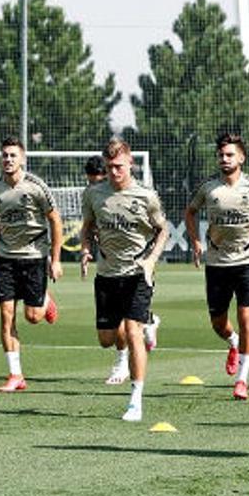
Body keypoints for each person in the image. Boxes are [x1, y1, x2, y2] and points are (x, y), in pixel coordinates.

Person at [80, 138, 168, 421]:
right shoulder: (94, 194)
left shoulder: (146, 196)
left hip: (137, 274)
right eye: (109, 167)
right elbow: (87, 226)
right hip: (107, 274)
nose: (114, 171)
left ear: (130, 163)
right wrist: (84, 249)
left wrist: (151, 260)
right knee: (107, 339)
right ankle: (150, 322)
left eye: (118, 166)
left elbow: (162, 230)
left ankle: (135, 401)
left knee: (132, 333)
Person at [184, 133, 249, 400]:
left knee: (246, 316)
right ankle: (233, 342)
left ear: (241, 158)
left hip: (247, 262)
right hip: (216, 263)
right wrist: (196, 242)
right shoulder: (208, 188)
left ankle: (242, 379)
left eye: (230, 154)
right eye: (221, 155)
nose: (224, 159)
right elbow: (190, 212)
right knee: (218, 323)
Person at [0, 136, 63, 393]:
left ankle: (44, 301)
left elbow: (55, 220)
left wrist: (56, 258)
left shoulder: (36, 187)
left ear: (22, 159)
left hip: (34, 258)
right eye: (4, 155)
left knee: (33, 317)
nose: (8, 159)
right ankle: (15, 374)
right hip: (6, 259)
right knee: (6, 317)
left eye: (13, 155)